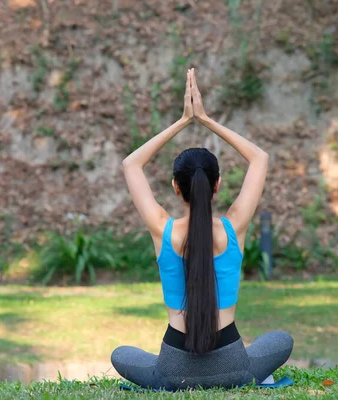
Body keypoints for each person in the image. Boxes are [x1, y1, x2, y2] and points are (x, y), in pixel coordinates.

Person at [111, 69, 293, 391]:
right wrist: (206, 119)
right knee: (281, 340)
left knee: (121, 354)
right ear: (217, 185)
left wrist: (183, 121)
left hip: (172, 371)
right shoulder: (233, 228)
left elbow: (131, 165)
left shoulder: (163, 230)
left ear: (175, 188)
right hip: (234, 367)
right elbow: (259, 159)